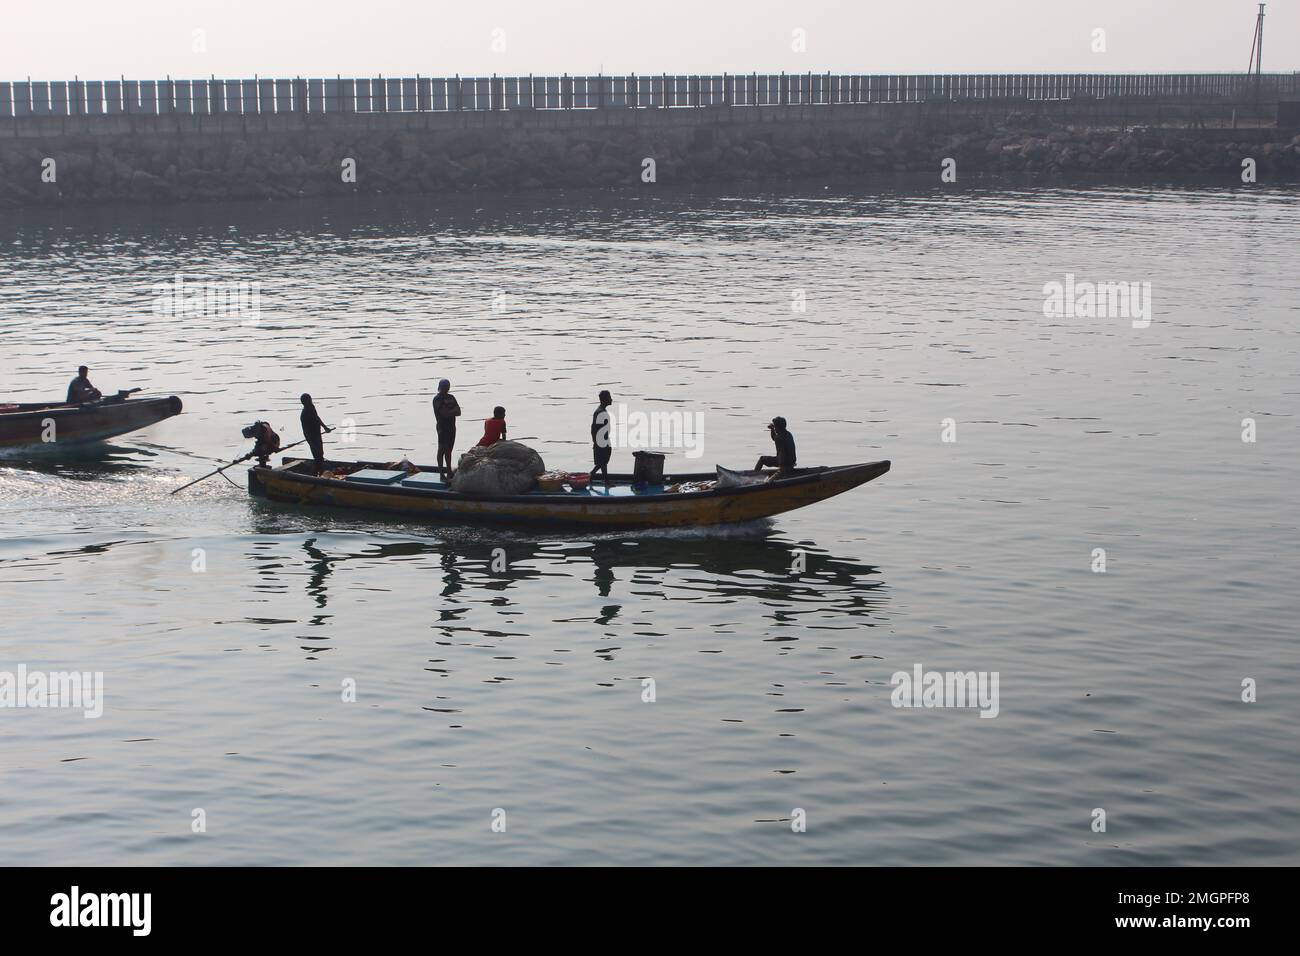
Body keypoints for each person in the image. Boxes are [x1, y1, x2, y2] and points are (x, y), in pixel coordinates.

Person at [432, 378, 461, 480]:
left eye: (447, 387)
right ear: (440, 387)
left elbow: (459, 412)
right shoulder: (437, 399)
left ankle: (449, 471)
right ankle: (441, 474)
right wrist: (452, 411)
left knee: (449, 450)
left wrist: (450, 411)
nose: (445, 389)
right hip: (442, 428)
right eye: (444, 387)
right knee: (442, 449)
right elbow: (444, 414)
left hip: (452, 427)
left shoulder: (451, 397)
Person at [300, 393, 333, 474]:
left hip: (317, 434)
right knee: (317, 455)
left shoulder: (312, 407)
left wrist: (325, 427)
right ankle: (315, 473)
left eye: (310, 399)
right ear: (305, 402)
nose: (311, 401)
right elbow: (306, 431)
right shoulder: (304, 414)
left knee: (320, 454)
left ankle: (321, 471)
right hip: (311, 436)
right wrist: (311, 443)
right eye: (309, 400)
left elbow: (317, 418)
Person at [591, 389, 613, 490]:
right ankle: (591, 475)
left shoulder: (601, 411)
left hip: (603, 440)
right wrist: (597, 442)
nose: (611, 399)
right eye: (609, 397)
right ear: (604, 399)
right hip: (601, 441)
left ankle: (606, 481)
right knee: (602, 462)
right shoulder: (600, 412)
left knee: (603, 462)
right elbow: (594, 428)